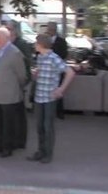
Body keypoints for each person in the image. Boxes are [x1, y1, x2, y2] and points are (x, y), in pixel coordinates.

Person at [27, 34, 75, 164]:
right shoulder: (40, 58)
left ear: (41, 44)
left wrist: (60, 89)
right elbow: (41, 75)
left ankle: (48, 154)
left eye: (36, 43)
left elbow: (70, 72)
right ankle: (40, 151)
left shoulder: (54, 58)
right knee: (39, 127)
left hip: (49, 98)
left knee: (48, 127)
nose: (34, 45)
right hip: (39, 97)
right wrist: (36, 74)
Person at [0, 27, 26, 158]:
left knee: (8, 122)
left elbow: (22, 75)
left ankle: (7, 147)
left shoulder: (15, 53)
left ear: (6, 38)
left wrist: (16, 88)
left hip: (10, 93)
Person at [6, 20, 32, 149]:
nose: (7, 31)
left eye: (9, 29)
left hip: (18, 83)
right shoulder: (7, 43)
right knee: (12, 113)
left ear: (15, 30)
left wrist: (23, 81)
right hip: (8, 83)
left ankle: (20, 141)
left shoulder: (22, 44)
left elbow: (27, 63)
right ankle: (13, 138)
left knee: (19, 113)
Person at [46, 21, 68, 119]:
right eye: (48, 29)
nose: (48, 31)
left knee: (58, 90)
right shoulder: (45, 40)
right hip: (47, 68)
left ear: (54, 30)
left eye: (50, 29)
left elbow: (64, 54)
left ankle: (59, 112)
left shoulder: (61, 41)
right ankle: (48, 112)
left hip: (57, 68)